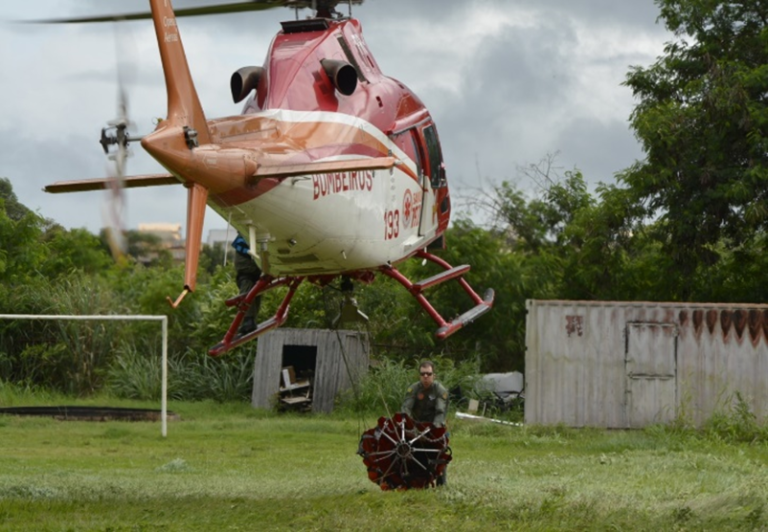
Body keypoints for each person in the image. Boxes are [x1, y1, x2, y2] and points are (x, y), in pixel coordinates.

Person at [401, 360, 449, 485]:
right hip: (416, 426)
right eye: (423, 374)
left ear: (434, 375)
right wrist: (408, 425)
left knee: (442, 447)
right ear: (419, 376)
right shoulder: (414, 389)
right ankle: (409, 478)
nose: (426, 376)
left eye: (429, 373)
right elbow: (406, 409)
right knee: (403, 446)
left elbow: (440, 412)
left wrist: (434, 428)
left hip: (434, 425)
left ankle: (441, 480)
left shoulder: (440, 390)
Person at [231, 234, 262, 336]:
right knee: (257, 284)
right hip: (256, 255)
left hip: (247, 255)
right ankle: (251, 319)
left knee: (246, 279)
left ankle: (249, 320)